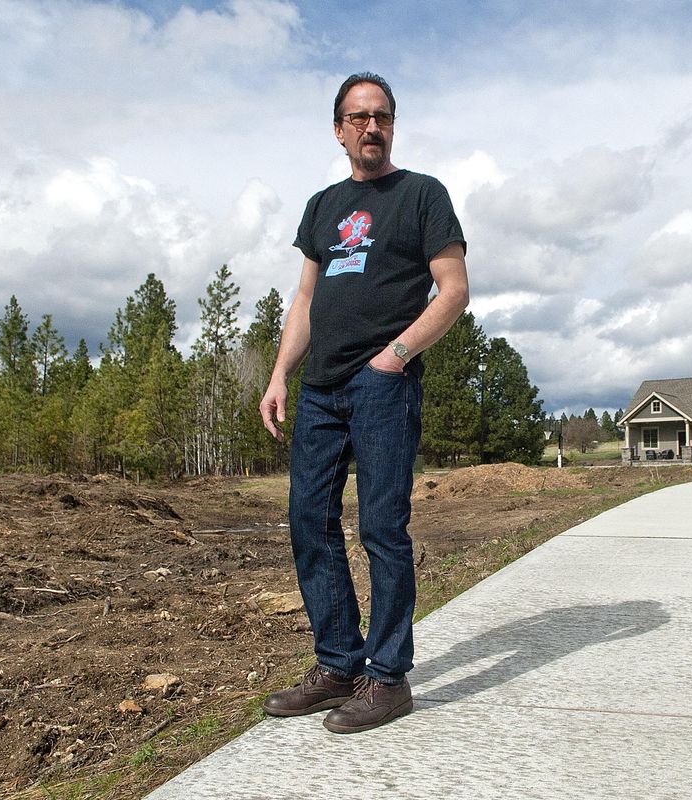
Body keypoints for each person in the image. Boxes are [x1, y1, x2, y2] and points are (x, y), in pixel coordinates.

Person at [258, 72, 469, 734]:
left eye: (381, 116)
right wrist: (279, 374)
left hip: (383, 386)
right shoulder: (323, 206)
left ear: (392, 126)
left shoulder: (422, 195)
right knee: (308, 520)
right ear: (339, 128)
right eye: (358, 116)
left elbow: (454, 290)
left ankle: (386, 677)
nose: (370, 126)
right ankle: (338, 663)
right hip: (320, 389)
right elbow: (304, 300)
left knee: (381, 527)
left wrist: (395, 357)